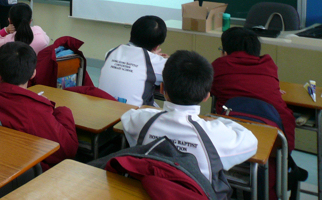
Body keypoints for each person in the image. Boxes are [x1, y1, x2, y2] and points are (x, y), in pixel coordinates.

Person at [120, 50, 258, 198]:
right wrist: (218, 120)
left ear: (162, 89)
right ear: (207, 96)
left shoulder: (143, 120)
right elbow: (251, 141)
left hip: (149, 193)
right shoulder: (215, 134)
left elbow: (128, 117)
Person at [0, 42, 78, 170]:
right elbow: (68, 150)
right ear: (33, 74)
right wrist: (63, 111)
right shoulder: (36, 110)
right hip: (25, 175)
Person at [211, 27, 297, 151]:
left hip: (231, 141)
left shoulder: (219, 66)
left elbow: (207, 90)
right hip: (275, 142)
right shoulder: (269, 66)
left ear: (225, 52)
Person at [98, 15, 169, 106]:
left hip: (103, 110)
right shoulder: (157, 62)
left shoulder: (111, 52)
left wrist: (151, 56)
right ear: (157, 46)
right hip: (133, 116)